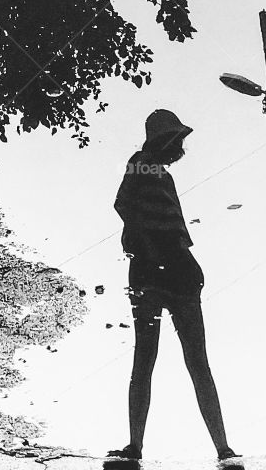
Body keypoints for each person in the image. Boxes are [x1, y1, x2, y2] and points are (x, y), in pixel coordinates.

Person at [107, 109, 239, 463]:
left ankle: (141, 446)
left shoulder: (156, 169)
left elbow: (129, 207)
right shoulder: (145, 163)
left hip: (165, 272)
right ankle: (221, 449)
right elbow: (125, 204)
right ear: (165, 139)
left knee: (151, 360)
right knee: (190, 362)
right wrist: (152, 253)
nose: (182, 146)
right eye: (178, 139)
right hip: (163, 272)